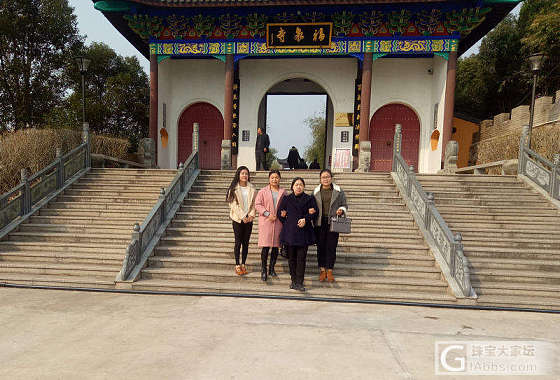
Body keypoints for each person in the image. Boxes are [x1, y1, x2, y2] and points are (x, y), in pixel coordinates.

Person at [278, 177, 317, 291]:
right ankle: (293, 280)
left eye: (301, 184)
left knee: (301, 258)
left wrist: (306, 219)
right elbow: (280, 214)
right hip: (290, 234)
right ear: (292, 187)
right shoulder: (287, 199)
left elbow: (315, 212)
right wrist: (288, 223)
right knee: (291, 259)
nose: (298, 187)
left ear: (304, 186)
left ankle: (300, 282)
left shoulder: (309, 199)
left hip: (303, 234)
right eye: (296, 185)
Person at [312, 169, 348, 283]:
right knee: (321, 246)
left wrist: (341, 210)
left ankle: (330, 270)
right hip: (319, 222)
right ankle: (322, 270)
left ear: (331, 178)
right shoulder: (316, 191)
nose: (326, 179)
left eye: (327, 177)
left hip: (333, 222)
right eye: (323, 177)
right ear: (320, 179)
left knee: (331, 247)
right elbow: (310, 204)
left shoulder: (339, 191)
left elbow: (344, 205)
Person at [255, 170, 286, 282]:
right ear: (269, 179)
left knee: (275, 247)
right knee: (266, 246)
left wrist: (284, 212)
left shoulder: (283, 192)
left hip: (278, 222)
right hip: (266, 221)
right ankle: (263, 269)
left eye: (276, 177)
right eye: (272, 177)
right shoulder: (262, 191)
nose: (274, 179)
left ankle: (271, 269)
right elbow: (257, 205)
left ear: (279, 179)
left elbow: (286, 205)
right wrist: (267, 213)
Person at [226, 166, 256, 276]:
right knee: (238, 242)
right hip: (238, 219)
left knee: (246, 242)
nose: (244, 175)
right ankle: (237, 264)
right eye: (242, 173)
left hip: (249, 219)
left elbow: (254, 204)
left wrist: (251, 215)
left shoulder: (252, 188)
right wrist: (243, 216)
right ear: (238, 175)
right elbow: (233, 205)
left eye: (246, 174)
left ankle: (243, 263)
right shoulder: (233, 188)